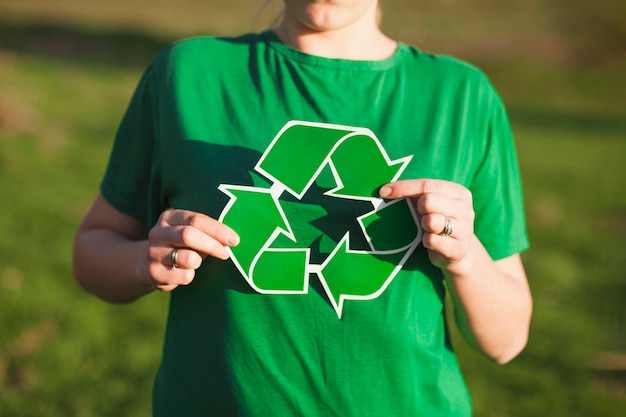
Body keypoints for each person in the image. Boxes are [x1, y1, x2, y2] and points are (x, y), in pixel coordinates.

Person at [73, 0, 532, 416]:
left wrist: (467, 256)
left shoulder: (461, 97)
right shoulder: (188, 74)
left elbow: (506, 341)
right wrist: (142, 261)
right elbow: (93, 249)